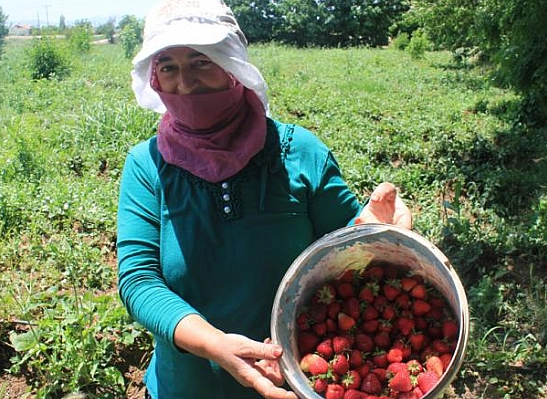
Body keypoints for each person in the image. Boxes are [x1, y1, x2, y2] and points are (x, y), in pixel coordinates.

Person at [115, 0, 413, 398]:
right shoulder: (146, 166)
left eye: (201, 61)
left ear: (232, 63)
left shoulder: (299, 154)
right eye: (168, 66)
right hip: (186, 386)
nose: (185, 83)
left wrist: (376, 230)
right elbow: (138, 281)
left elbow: (347, 249)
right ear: (155, 77)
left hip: (296, 381)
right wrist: (215, 345)